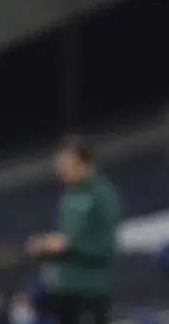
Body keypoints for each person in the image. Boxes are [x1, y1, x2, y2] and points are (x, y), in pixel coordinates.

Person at [26, 138, 122, 324]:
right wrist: (45, 247)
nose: (59, 170)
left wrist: (68, 246)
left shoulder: (103, 194)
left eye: (64, 165)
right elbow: (65, 238)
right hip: (63, 289)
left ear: (83, 163)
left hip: (91, 289)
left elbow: (106, 245)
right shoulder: (68, 196)